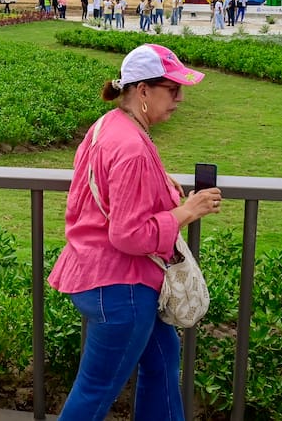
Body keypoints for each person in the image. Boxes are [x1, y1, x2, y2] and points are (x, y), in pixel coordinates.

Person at [49, 44, 222, 420]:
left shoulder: (109, 125)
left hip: (102, 275)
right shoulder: (132, 148)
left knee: (162, 361)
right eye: (172, 89)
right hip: (121, 287)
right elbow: (128, 234)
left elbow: (107, 188)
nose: (180, 98)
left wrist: (159, 182)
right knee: (94, 391)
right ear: (143, 90)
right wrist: (187, 211)